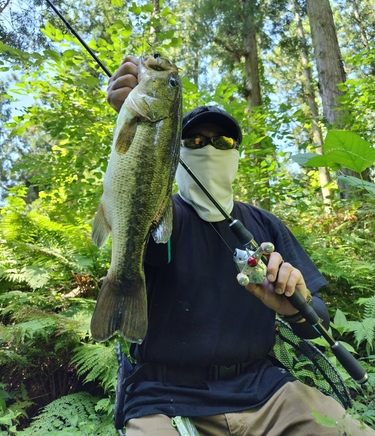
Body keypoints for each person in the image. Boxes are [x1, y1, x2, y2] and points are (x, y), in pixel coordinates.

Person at [106, 55, 375, 436]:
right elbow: (143, 223)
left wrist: (294, 308)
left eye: (222, 140)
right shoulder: (166, 214)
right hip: (164, 396)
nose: (209, 148)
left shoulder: (265, 225)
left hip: (266, 392)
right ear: (174, 149)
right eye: (194, 140)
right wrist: (135, 126)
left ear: (236, 153)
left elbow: (317, 321)